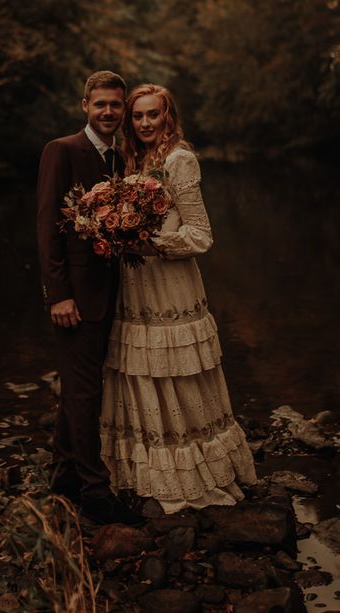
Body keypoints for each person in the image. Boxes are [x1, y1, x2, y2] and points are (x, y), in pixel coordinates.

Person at [99, 84, 257, 514]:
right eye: (139, 116)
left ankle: (192, 469)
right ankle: (147, 470)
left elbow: (202, 235)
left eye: (154, 115)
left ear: (168, 117)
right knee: (141, 371)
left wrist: (151, 242)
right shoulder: (131, 159)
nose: (146, 123)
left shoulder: (179, 160)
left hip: (169, 282)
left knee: (177, 371)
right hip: (135, 286)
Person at [36, 70, 142, 525]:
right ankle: (95, 491)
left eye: (116, 106)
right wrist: (58, 295)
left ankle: (62, 474)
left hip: (109, 294)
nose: (109, 112)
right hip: (74, 299)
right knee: (85, 393)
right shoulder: (62, 151)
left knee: (80, 388)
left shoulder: (119, 159)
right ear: (85, 106)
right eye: (100, 104)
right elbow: (46, 228)